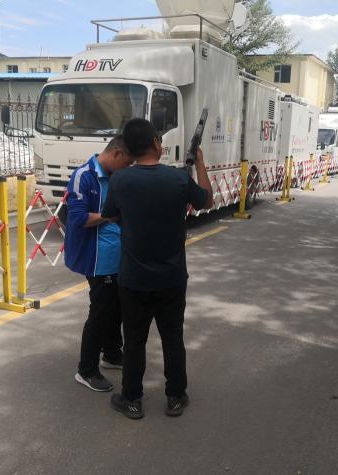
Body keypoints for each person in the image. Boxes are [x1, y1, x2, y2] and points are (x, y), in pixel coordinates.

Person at [103, 119, 213, 419]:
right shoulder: (177, 179)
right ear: (155, 143)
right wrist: (200, 162)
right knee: (172, 338)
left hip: (133, 279)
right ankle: (176, 396)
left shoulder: (120, 181)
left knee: (134, 341)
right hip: (171, 278)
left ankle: (132, 399)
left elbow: (109, 215)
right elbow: (207, 200)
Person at [64, 136, 133, 392]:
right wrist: (109, 216)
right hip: (97, 259)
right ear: (116, 153)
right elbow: (78, 218)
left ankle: (112, 353)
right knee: (101, 312)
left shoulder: (116, 176)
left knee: (117, 308)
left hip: (117, 256)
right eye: (126, 163)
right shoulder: (84, 176)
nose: (127, 168)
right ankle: (86, 370)